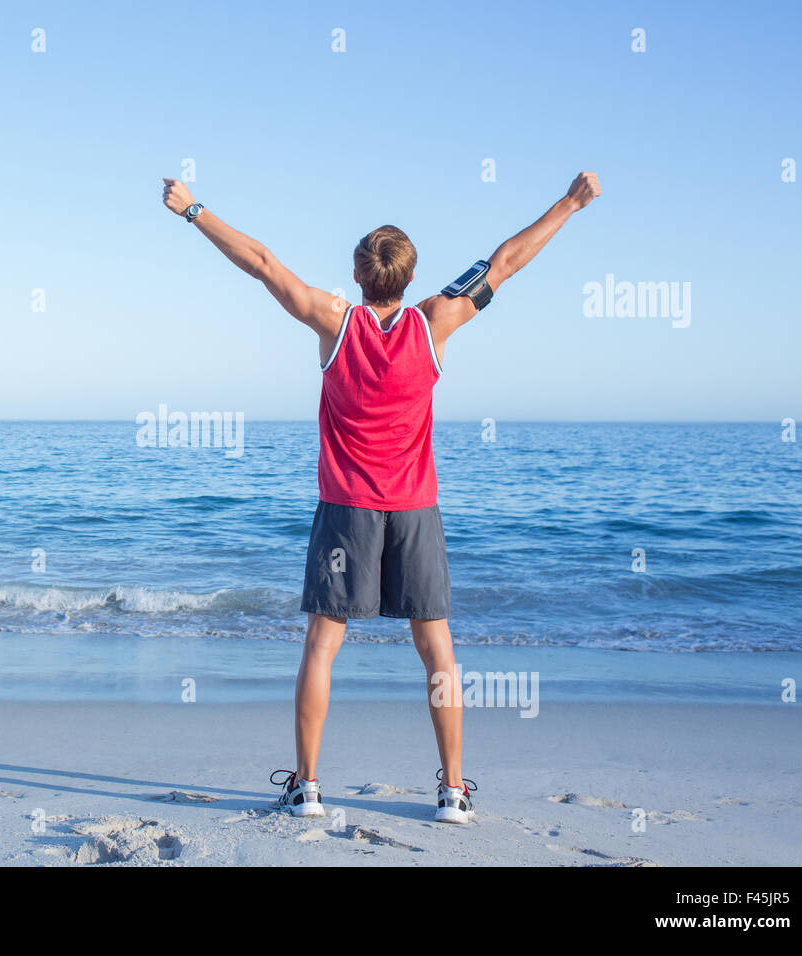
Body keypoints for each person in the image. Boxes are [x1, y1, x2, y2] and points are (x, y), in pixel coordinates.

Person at [161, 171, 602, 823]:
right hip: (416, 511)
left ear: (361, 275)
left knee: (321, 645)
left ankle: (307, 787)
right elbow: (506, 262)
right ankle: (453, 791)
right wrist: (569, 203)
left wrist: (193, 209)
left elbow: (261, 264)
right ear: (409, 276)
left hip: (346, 512)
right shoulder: (436, 322)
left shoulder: (334, 321)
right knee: (438, 648)